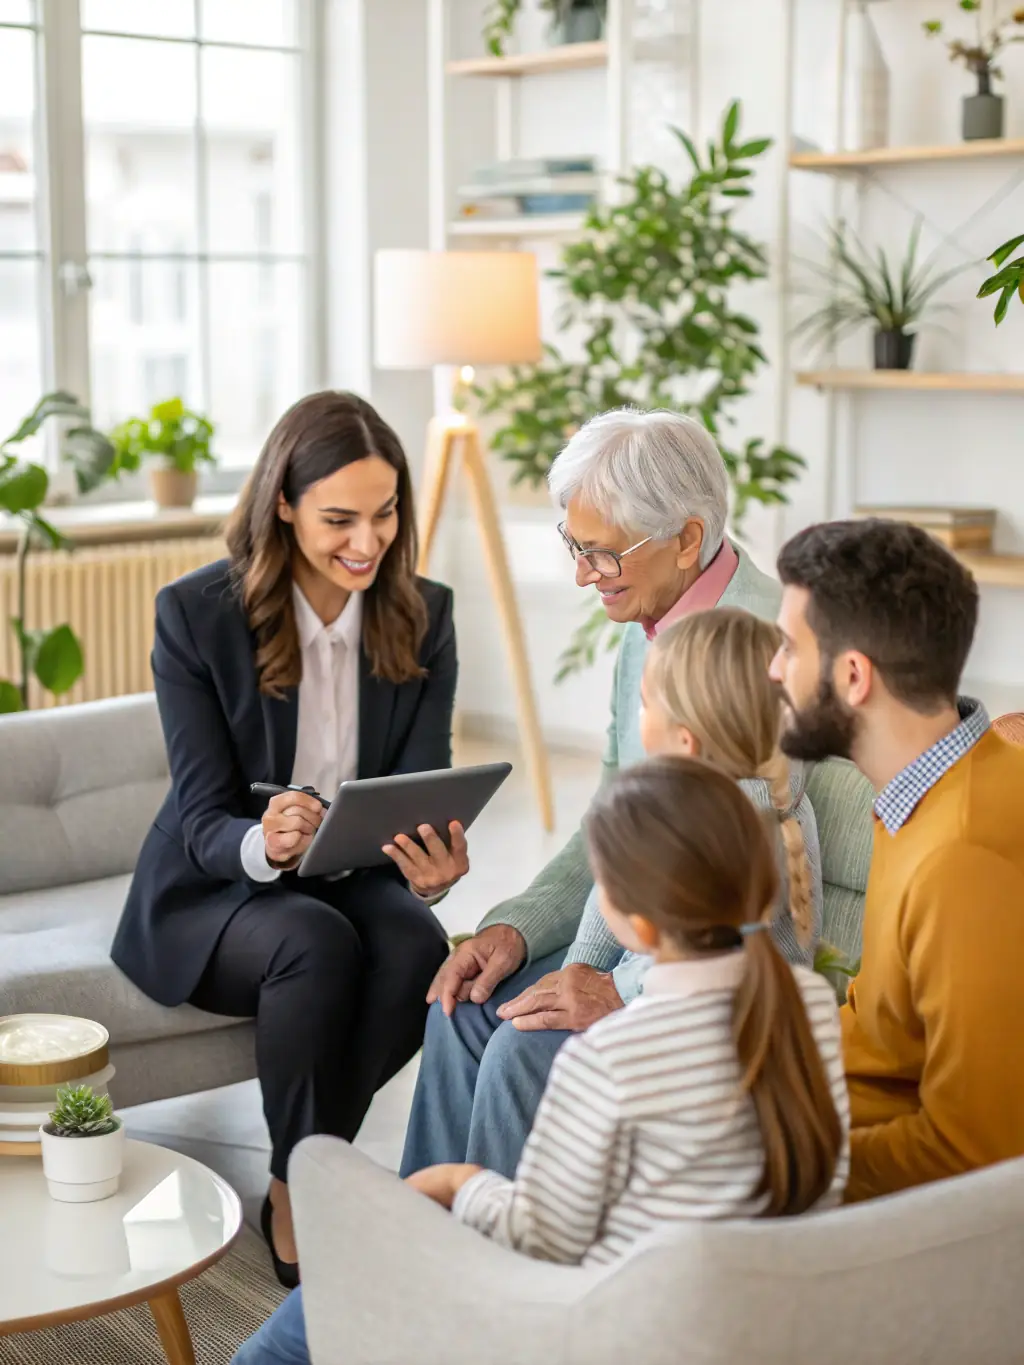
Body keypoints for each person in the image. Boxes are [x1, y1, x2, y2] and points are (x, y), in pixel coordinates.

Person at [230, 758, 848, 1365]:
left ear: (634, 922)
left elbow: (537, 1237)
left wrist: (452, 1183)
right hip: (727, 1318)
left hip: (600, 1325)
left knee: (302, 1319)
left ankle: (407, 1288)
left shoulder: (607, 1060)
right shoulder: (814, 1012)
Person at [402, 406, 865, 1183]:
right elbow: (611, 823)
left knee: (523, 1043)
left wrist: (613, 985)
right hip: (645, 930)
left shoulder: (763, 649)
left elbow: (752, 902)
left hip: (711, 965)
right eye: (574, 545)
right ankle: (424, 1244)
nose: (584, 574)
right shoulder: (644, 620)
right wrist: (517, 926)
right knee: (462, 1002)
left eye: (602, 553)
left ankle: (501, 1273)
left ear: (687, 538)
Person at [111, 391, 465, 1285]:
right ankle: (315, 1190)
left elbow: (421, 790)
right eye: (339, 518)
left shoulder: (424, 613)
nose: (367, 541)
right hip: (216, 890)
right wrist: (263, 844)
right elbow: (200, 819)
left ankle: (292, 1173)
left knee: (418, 941)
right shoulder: (197, 616)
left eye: (385, 514)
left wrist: (433, 864)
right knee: (313, 940)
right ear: (282, 504)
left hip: (348, 874)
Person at [770, 518, 1024, 1202]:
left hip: (893, 1215)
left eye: (789, 648)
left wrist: (784, 1162)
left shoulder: (962, 859)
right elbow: (888, 1033)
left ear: (853, 676)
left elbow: (977, 1150)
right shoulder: (921, 791)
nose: (773, 670)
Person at [561, 605, 822, 1007]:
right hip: (662, 999)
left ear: (686, 743)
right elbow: (611, 888)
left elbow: (704, 963)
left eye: (646, 704)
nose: (638, 714)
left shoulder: (724, 827)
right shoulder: (750, 796)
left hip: (686, 1013)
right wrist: (577, 969)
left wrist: (612, 986)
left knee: (513, 1048)